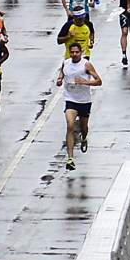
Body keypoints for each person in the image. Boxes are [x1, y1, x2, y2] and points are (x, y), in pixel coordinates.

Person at [55, 42, 102, 171]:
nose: (74, 54)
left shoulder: (86, 65)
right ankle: (70, 158)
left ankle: (84, 137)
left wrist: (86, 82)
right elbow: (61, 76)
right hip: (70, 100)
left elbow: (99, 81)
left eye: (77, 52)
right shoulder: (66, 63)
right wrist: (59, 81)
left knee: (83, 127)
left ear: (81, 52)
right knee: (70, 125)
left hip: (84, 101)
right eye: (72, 52)